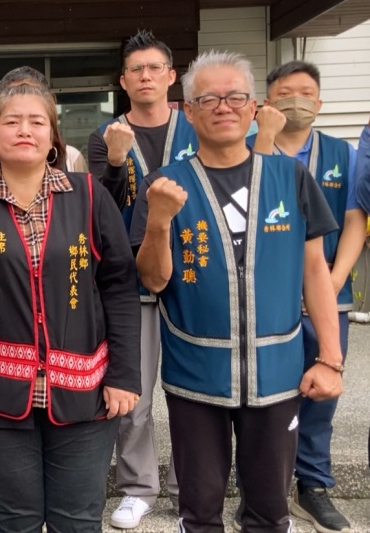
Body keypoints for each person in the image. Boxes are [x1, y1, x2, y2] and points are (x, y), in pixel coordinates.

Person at [132, 50, 344, 533]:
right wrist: (160, 220)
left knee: (270, 509)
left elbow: (315, 270)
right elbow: (153, 279)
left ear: (254, 108)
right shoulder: (164, 184)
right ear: (189, 111)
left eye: (235, 97)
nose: (223, 106)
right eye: (208, 99)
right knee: (199, 509)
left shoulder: (290, 177)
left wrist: (330, 359)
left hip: (277, 374)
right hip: (196, 376)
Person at [0, 78, 141, 533]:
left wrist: (125, 375)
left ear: (53, 137)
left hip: (84, 388)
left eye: (36, 121)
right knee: (13, 521)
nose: (24, 130)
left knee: (78, 520)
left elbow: (119, 287)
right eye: (11, 122)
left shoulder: (89, 194)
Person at [245, 60, 365, 533]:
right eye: (285, 92)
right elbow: (249, 202)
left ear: (320, 102)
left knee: (322, 395)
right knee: (267, 399)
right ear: (266, 102)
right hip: (267, 297)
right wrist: (265, 136)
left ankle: (312, 486)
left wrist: (333, 281)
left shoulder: (343, 153)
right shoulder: (250, 147)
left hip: (328, 293)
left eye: (306, 93)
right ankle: (262, 491)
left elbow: (355, 219)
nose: (297, 100)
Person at [85, 30, 198, 528]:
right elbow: (98, 208)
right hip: (132, 279)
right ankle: (138, 487)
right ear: (123, 80)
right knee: (134, 394)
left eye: (154, 68)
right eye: (136, 69)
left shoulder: (196, 125)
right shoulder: (106, 135)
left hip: (194, 272)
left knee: (194, 391)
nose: (145, 76)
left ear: (172, 76)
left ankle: (192, 489)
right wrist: (114, 160)